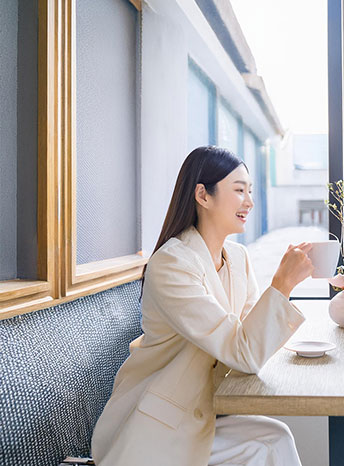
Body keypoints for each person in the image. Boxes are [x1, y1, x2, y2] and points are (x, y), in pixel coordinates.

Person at [92, 146, 313, 465]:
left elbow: (250, 340)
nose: (249, 202)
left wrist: (283, 287)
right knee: (270, 442)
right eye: (239, 191)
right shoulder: (171, 265)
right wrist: (283, 284)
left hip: (207, 411)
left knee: (274, 438)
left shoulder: (238, 257)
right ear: (203, 195)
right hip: (159, 426)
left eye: (250, 191)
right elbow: (244, 352)